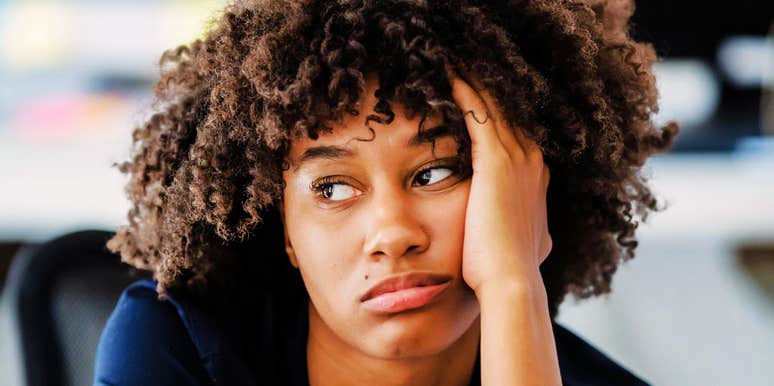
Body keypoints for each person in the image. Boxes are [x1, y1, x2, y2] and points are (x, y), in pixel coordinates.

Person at [94, 0, 679, 385]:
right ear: (284, 229)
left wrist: (511, 282)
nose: (393, 234)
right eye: (332, 187)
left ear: (526, 191)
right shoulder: (174, 346)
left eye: (435, 173)